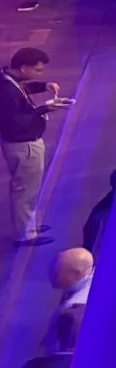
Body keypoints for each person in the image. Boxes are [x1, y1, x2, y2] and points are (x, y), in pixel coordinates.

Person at [2, 47, 59, 246]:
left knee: (30, 187)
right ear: (24, 68)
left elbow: (23, 90)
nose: (40, 73)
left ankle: (29, 225)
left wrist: (44, 86)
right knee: (25, 190)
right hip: (23, 146)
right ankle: (25, 234)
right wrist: (43, 109)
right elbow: (15, 120)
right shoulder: (7, 90)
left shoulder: (10, 79)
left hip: (22, 144)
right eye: (37, 70)